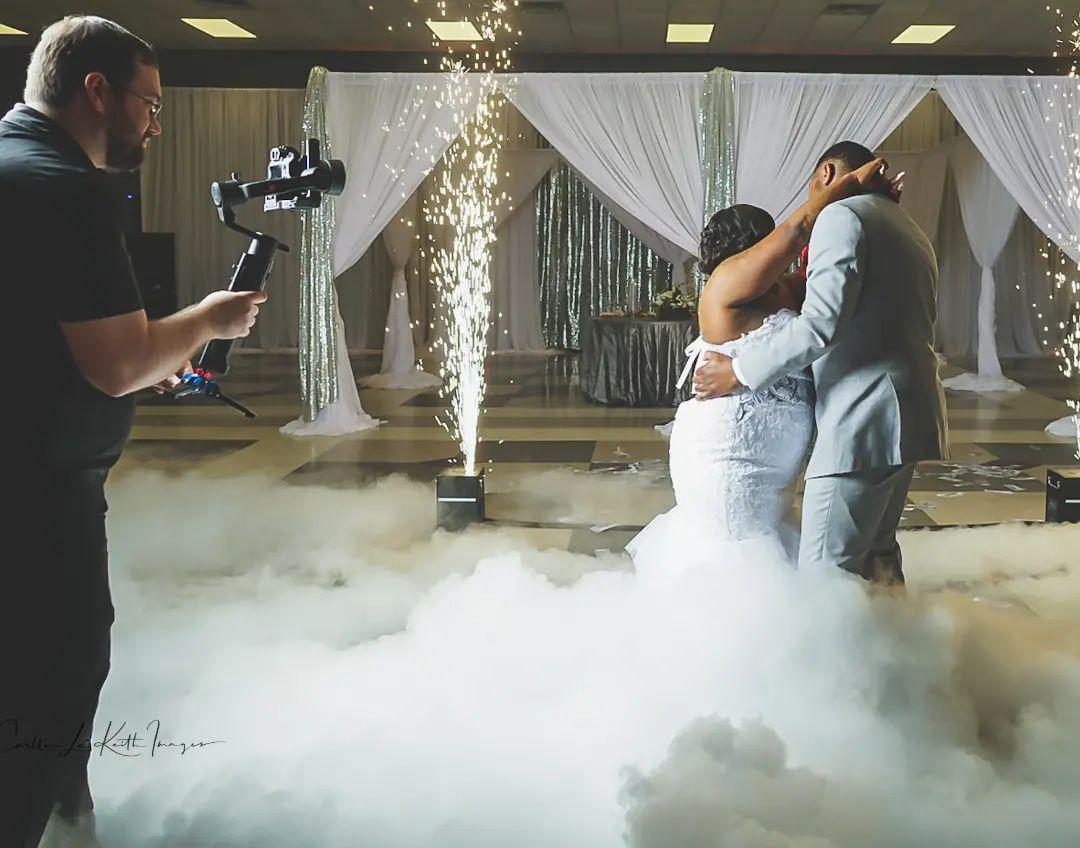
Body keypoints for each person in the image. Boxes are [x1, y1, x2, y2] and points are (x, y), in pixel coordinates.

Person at [1, 16, 266, 846]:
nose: (155, 125)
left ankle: (67, 820)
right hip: (38, 503)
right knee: (53, 682)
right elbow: (118, 364)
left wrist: (152, 357)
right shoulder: (66, 188)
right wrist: (209, 319)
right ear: (97, 92)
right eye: (149, 104)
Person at [691, 141, 949, 585]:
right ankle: (896, 631)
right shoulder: (905, 225)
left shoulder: (842, 217)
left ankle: (843, 637)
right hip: (908, 413)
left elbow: (820, 325)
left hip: (861, 418)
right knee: (878, 557)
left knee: (825, 577)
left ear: (827, 174)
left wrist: (738, 371)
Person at [627, 156, 898, 573]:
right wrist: (847, 186)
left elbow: (833, 273)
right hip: (728, 451)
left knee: (771, 549)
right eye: (767, 239)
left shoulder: (785, 289)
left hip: (775, 461)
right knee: (734, 553)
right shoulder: (724, 284)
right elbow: (798, 229)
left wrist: (874, 207)